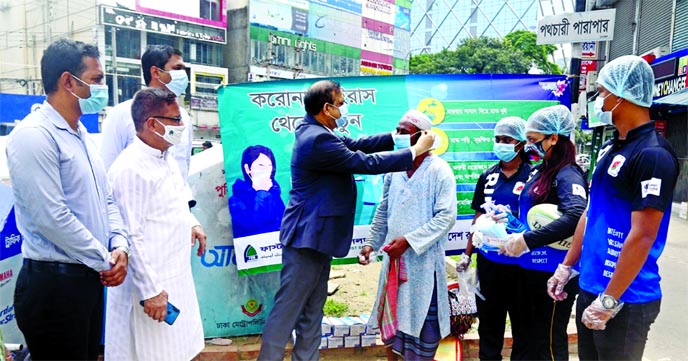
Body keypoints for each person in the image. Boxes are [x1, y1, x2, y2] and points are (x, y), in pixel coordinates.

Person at [258, 80, 436, 360]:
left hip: (319, 238)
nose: (344, 108)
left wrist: (396, 136)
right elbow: (364, 162)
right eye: (340, 103)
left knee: (313, 310)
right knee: (287, 311)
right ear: (326, 108)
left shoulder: (319, 130)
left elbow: (357, 144)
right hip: (306, 238)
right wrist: (414, 150)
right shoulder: (317, 139)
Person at [547, 55, 679, 360]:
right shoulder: (612, 149)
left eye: (603, 91)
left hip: (625, 298)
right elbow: (591, 212)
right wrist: (566, 267)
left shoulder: (652, 155)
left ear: (622, 95)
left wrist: (610, 300)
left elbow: (643, 235)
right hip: (592, 285)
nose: (599, 99)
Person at [6, 38, 129, 360]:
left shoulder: (82, 135)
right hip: (53, 286)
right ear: (67, 81)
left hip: (86, 277)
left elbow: (107, 199)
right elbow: (52, 217)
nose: (103, 88)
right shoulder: (34, 135)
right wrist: (106, 260)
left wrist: (119, 246)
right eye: (97, 79)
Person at [104, 88, 207, 361]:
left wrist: (192, 223)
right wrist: (151, 292)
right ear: (152, 124)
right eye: (175, 120)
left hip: (175, 276)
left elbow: (177, 196)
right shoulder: (131, 169)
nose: (182, 127)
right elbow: (130, 237)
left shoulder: (165, 156)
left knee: (182, 351)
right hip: (150, 288)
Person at [358, 110, 457, 361]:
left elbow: (446, 217)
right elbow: (383, 209)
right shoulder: (395, 168)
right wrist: (371, 243)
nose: (399, 136)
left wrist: (409, 242)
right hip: (394, 262)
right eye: (398, 130)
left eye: (405, 132)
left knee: (423, 327)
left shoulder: (440, 170)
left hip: (423, 265)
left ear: (423, 136)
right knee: (392, 329)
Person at [501, 105, 588, 360]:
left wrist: (526, 240)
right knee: (525, 339)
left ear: (554, 138)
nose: (529, 146)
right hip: (530, 271)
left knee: (548, 342)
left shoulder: (568, 173)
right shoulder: (542, 169)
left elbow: (575, 215)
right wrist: (510, 223)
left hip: (553, 274)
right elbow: (536, 216)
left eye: (533, 140)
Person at [457, 116, 532, 360]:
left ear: (520, 143)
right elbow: (478, 217)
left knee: (524, 327)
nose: (501, 144)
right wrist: (467, 254)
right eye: (498, 139)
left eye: (507, 140)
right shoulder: (488, 176)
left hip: (522, 264)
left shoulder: (534, 175)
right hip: (490, 263)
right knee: (489, 324)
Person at [100, 44, 193, 181]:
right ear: (155, 72)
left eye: (184, 70)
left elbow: (184, 165)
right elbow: (107, 169)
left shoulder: (184, 117)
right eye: (177, 69)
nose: (183, 75)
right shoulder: (122, 114)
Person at [229, 145, 286, 238]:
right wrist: (262, 192)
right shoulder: (236, 199)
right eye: (261, 165)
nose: (266, 170)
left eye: (269, 166)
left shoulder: (275, 195)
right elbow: (255, 224)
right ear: (248, 169)